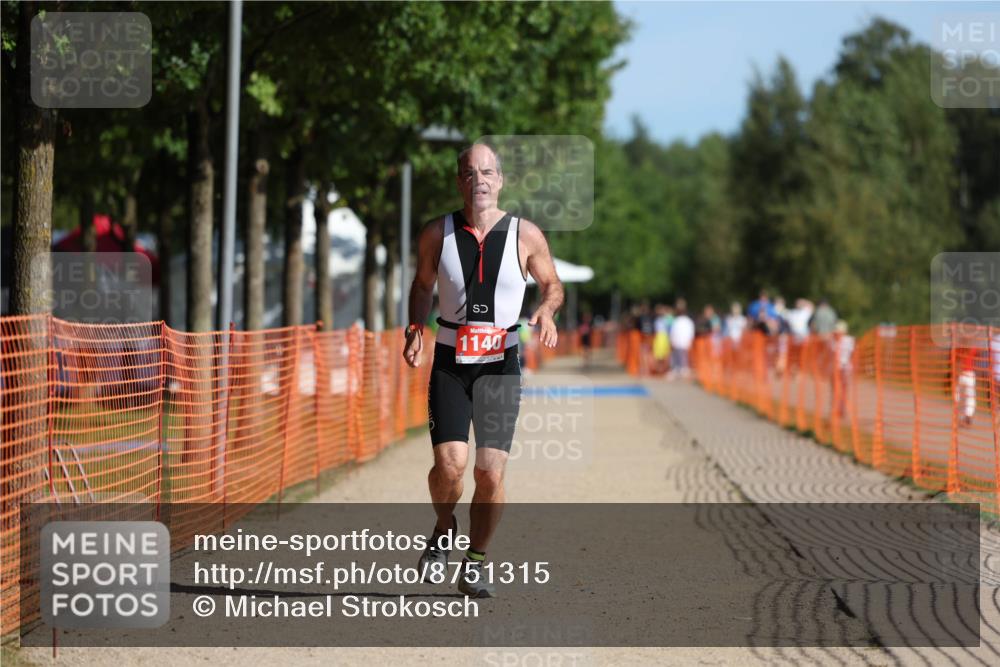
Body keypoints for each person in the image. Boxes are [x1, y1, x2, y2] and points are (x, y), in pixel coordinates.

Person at [402, 143, 563, 598]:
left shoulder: (525, 234)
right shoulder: (437, 233)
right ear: (459, 181)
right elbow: (422, 285)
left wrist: (547, 311)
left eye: (488, 172)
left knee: (490, 473)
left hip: (500, 365)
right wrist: (415, 326)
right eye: (471, 174)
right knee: (449, 468)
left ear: (501, 179)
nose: (480, 181)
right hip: (451, 362)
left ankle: (474, 563)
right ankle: (443, 527)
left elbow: (552, 285)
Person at [667, 300, 695, 380]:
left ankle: (682, 370)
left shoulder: (684, 321)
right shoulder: (678, 321)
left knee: (682, 357)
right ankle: (678, 370)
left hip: (682, 342)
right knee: (678, 357)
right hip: (679, 342)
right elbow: (673, 332)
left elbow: (690, 332)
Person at [652, 304, 671, 375]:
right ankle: (658, 370)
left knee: (665, 356)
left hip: (665, 338)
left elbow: (670, 329)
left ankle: (664, 370)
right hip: (659, 337)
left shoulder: (668, 319)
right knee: (658, 355)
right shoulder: (657, 320)